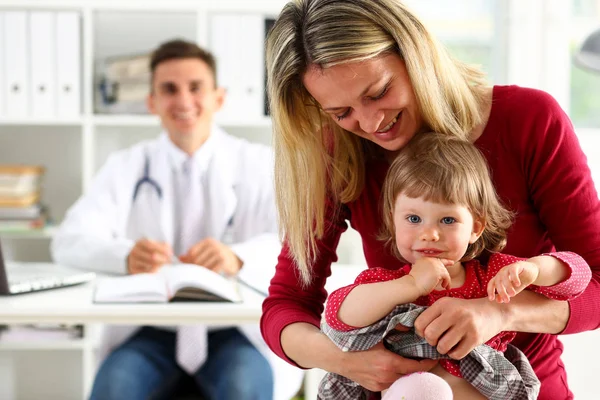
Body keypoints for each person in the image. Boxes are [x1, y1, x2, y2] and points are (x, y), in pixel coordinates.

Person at [259, 1, 600, 399]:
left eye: (379, 92)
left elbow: (594, 280)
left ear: (413, 52)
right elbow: (287, 304)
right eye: (341, 112)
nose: (369, 124)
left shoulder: (528, 119)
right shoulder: (339, 152)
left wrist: (501, 313)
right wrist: (346, 361)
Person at [51, 39, 303, 400]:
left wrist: (239, 256)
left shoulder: (259, 163)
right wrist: (123, 256)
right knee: (113, 388)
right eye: (169, 89)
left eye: (196, 87)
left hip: (235, 328)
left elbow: (296, 242)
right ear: (151, 102)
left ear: (219, 97)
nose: (184, 101)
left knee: (245, 388)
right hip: (152, 329)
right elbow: (70, 239)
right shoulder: (126, 166)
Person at [318, 132, 591, 400]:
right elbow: (337, 317)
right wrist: (410, 285)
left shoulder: (493, 279)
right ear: (393, 220)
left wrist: (536, 270)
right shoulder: (386, 284)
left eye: (447, 220)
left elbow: (579, 275)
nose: (430, 234)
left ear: (476, 227)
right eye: (413, 218)